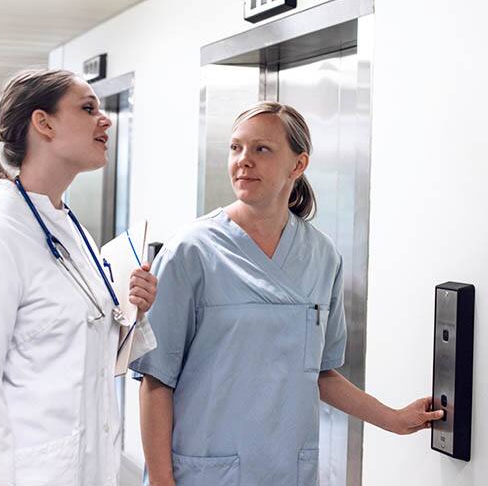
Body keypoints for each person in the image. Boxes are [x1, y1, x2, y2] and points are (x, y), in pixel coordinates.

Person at [131, 102, 442, 486]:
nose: (243, 160)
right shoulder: (191, 250)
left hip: (288, 471)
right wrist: (161, 481)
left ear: (298, 164)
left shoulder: (322, 256)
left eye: (261, 149)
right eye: (235, 148)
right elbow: (156, 379)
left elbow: (319, 373)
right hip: (203, 471)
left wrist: (393, 419)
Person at [0, 69, 158, 486]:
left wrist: (133, 312)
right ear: (44, 123)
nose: (105, 120)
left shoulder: (73, 231)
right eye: (88, 109)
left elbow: (80, 351)